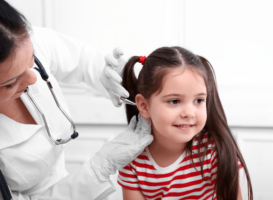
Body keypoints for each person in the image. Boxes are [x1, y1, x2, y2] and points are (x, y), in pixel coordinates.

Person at [0, 1, 153, 200]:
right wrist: (98, 168)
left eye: (32, 61)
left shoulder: (18, 39)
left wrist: (104, 72)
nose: (33, 78)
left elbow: (82, 59)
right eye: (10, 83)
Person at [117, 47, 254, 200]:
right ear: (144, 106)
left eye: (199, 100)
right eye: (174, 101)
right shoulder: (131, 159)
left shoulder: (213, 152)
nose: (189, 113)